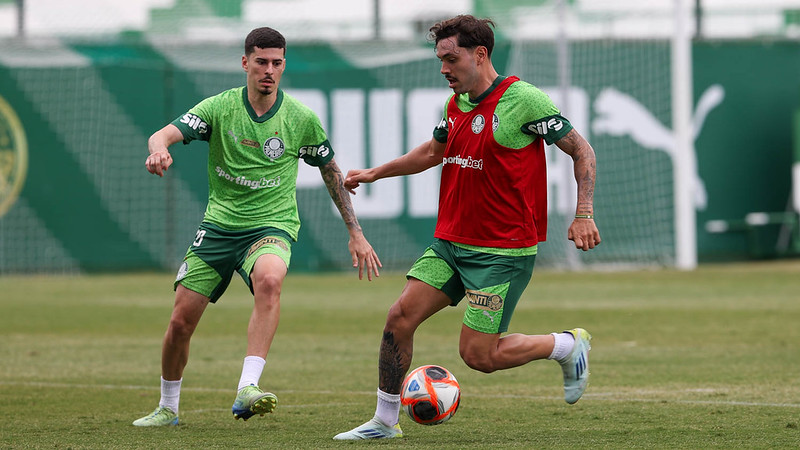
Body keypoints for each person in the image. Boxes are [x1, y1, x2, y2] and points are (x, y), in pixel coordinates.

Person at [333, 15, 600, 440]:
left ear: (480, 54)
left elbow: (581, 150)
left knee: (479, 356)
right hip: (450, 245)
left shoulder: (523, 100)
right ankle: (384, 422)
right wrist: (376, 173)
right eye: (440, 59)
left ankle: (567, 346)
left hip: (502, 255)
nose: (443, 69)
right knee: (399, 317)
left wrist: (583, 212)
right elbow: (434, 151)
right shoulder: (454, 104)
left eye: (450, 59)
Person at [133, 27, 381, 427]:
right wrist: (159, 149)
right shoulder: (219, 108)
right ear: (245, 63)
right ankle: (167, 407)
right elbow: (162, 134)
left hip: (272, 225)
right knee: (180, 322)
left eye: (277, 63)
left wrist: (355, 231)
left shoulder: (301, 119)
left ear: (284, 66)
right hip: (218, 227)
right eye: (261, 62)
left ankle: (248, 386)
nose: (269, 70)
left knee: (269, 279)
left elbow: (330, 170)